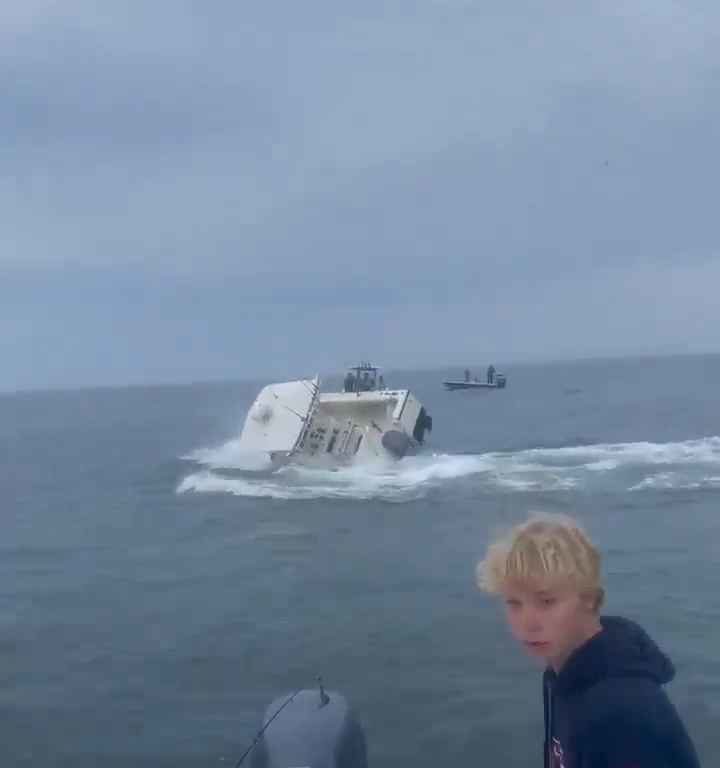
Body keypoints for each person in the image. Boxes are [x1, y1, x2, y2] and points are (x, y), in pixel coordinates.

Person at [476, 514, 701, 768]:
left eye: (547, 601)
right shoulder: (562, 673)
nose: (528, 623)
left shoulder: (624, 715)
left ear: (589, 599)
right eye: (513, 603)